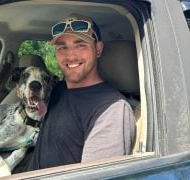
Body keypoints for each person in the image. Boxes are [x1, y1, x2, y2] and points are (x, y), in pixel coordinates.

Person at [26, 13, 136, 170]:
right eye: (62, 47)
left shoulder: (111, 109)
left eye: (80, 45)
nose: (70, 56)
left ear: (98, 49)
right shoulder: (58, 89)